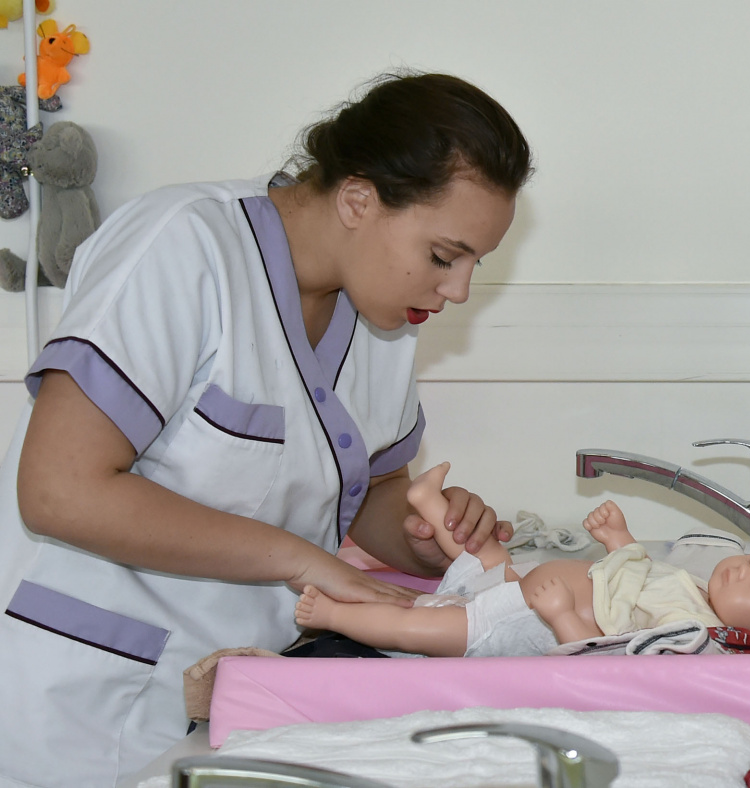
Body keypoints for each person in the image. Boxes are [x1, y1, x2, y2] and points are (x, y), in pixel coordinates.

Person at [0, 72, 532, 786]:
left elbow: (370, 488)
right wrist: (300, 560)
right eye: (443, 256)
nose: (458, 289)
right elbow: (58, 492)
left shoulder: (385, 316)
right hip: (83, 700)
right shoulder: (183, 247)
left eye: (474, 263)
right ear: (357, 200)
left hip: (238, 691)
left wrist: (422, 536)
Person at [295, 462, 750, 657]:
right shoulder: (695, 586)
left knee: (420, 628)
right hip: (516, 587)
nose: (740, 571)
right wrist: (619, 538)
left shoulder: (692, 636)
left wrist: (562, 616)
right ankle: (424, 500)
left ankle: (333, 616)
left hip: (521, 624)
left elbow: (604, 661)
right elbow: (635, 579)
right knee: (483, 551)